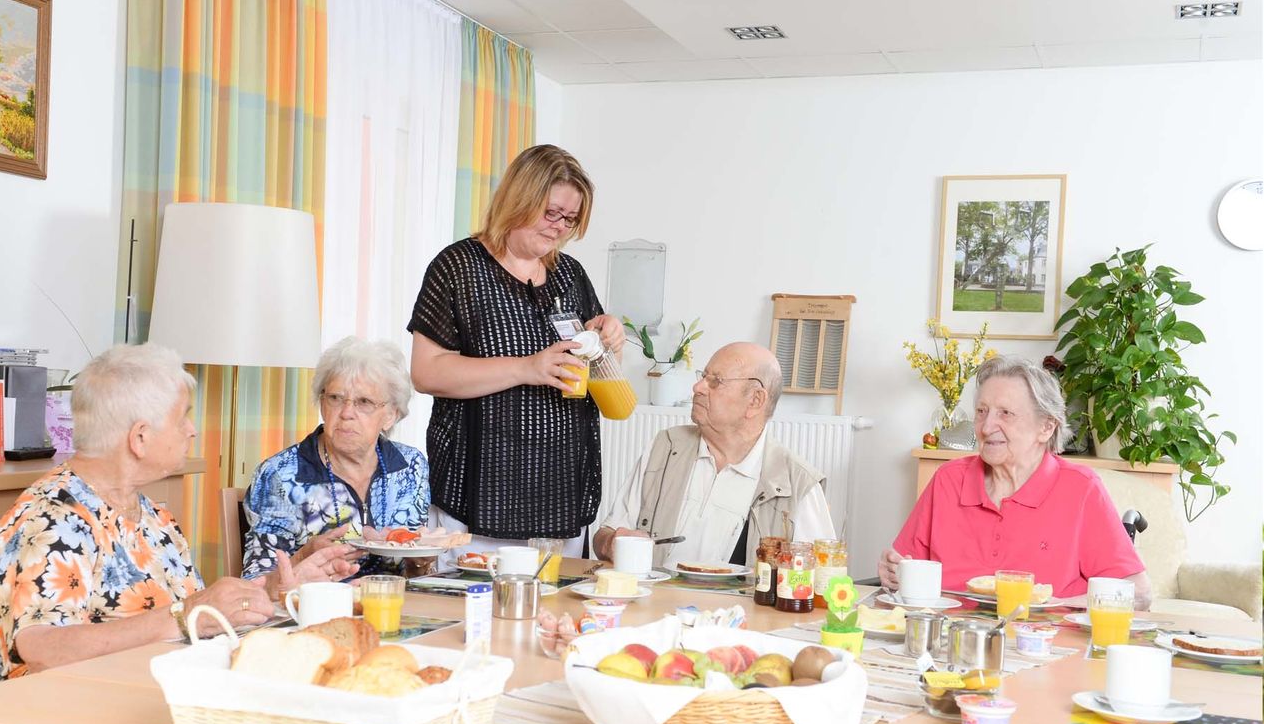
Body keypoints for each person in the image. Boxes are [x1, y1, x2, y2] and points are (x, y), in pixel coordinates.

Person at [0, 344, 356, 682]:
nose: (192, 430)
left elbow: (199, 618)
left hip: (159, 695)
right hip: (72, 716)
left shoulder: (154, 519)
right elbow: (42, 649)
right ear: (140, 438)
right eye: (183, 418)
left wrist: (272, 589)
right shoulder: (53, 521)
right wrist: (186, 613)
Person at [408, 144, 625, 549]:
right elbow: (426, 372)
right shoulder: (458, 267)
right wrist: (527, 368)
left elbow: (596, 369)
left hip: (560, 494)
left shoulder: (570, 275)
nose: (559, 227)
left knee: (557, 611)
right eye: (551, 213)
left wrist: (608, 338)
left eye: (571, 219)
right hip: (481, 493)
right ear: (518, 199)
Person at [879, 354, 1149, 605]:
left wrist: (1058, 607)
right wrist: (893, 573)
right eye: (982, 412)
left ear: (1046, 426)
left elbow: (1138, 593)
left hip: (1046, 643)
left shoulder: (1080, 489)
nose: (986, 427)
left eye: (1005, 413)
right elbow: (904, 568)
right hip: (952, 640)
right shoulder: (948, 481)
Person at [594, 342, 836, 569]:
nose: (698, 387)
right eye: (703, 377)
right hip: (657, 608)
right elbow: (604, 536)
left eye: (716, 381)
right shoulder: (665, 447)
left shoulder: (797, 483)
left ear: (755, 400)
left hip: (741, 614)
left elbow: (823, 580)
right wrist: (612, 543)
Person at [243, 337, 428, 579]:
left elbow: (413, 568)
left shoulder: (410, 466)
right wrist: (305, 556)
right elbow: (256, 580)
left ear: (390, 415)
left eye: (364, 402)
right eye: (336, 398)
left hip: (391, 607)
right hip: (315, 608)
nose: (347, 413)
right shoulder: (281, 474)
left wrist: (421, 563)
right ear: (322, 403)